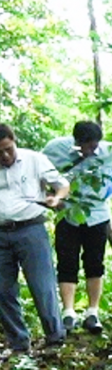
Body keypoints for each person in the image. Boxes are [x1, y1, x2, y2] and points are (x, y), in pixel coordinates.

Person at [43, 120, 112, 334]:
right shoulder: (55, 149)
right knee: (67, 262)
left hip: (97, 214)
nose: (89, 150)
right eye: (85, 145)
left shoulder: (111, 152)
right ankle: (69, 313)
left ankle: (92, 312)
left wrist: (107, 192)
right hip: (67, 214)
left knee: (94, 262)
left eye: (93, 146)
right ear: (76, 141)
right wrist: (52, 197)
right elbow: (40, 172)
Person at [0, 124, 68, 352]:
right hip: (0, 233)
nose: (5, 156)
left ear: (13, 140)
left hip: (31, 229)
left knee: (42, 284)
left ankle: (55, 337)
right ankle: (18, 343)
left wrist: (56, 198)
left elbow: (62, 184)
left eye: (8, 149)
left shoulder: (34, 160)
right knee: (2, 290)